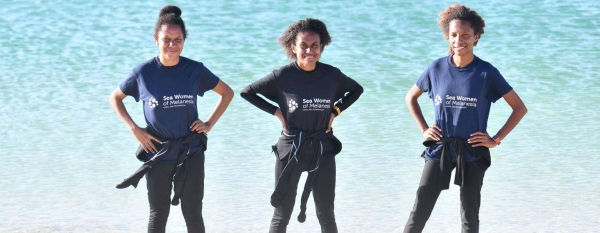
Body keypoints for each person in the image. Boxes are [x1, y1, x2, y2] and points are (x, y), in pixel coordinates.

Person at [403, 4, 527, 233]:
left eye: (465, 35)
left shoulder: (486, 72)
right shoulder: (436, 68)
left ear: (476, 37)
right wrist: (424, 129)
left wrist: (496, 139)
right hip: (440, 148)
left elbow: (519, 108)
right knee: (420, 208)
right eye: (454, 35)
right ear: (447, 36)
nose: (459, 40)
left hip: (472, 150)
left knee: (469, 215)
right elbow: (411, 98)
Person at [108, 5, 233, 233]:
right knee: (158, 214)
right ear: (156, 39)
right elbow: (115, 98)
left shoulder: (195, 70)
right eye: (167, 39)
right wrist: (135, 129)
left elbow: (227, 93)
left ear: (185, 40)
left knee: (193, 213)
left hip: (191, 149)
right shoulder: (143, 73)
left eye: (178, 39)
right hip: (158, 149)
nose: (172, 45)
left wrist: (209, 124)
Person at [240, 18, 363, 233]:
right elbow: (247, 92)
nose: (309, 50)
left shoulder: (331, 75)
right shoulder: (282, 76)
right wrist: (277, 112)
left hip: (322, 148)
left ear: (321, 46)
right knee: (282, 213)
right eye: (303, 45)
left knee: (326, 213)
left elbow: (356, 90)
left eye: (315, 45)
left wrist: (336, 111)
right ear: (293, 47)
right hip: (290, 149)